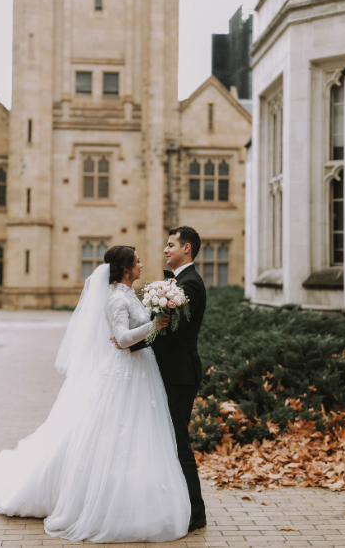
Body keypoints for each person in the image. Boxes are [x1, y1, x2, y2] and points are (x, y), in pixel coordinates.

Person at [0, 246, 190, 542]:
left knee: (138, 433)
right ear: (126, 268)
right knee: (113, 434)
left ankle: (136, 498)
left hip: (140, 370)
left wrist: (157, 322)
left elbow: (136, 332)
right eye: (137, 261)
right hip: (124, 372)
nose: (142, 265)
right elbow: (121, 339)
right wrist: (153, 324)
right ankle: (102, 502)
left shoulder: (130, 294)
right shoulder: (117, 297)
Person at [118, 226, 207, 532]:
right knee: (168, 440)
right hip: (168, 373)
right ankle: (178, 505)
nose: (166, 249)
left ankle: (196, 513)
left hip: (180, 374)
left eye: (171, 245)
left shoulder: (190, 285)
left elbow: (171, 332)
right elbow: (162, 325)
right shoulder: (176, 282)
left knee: (178, 441)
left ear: (187, 249)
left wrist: (132, 343)